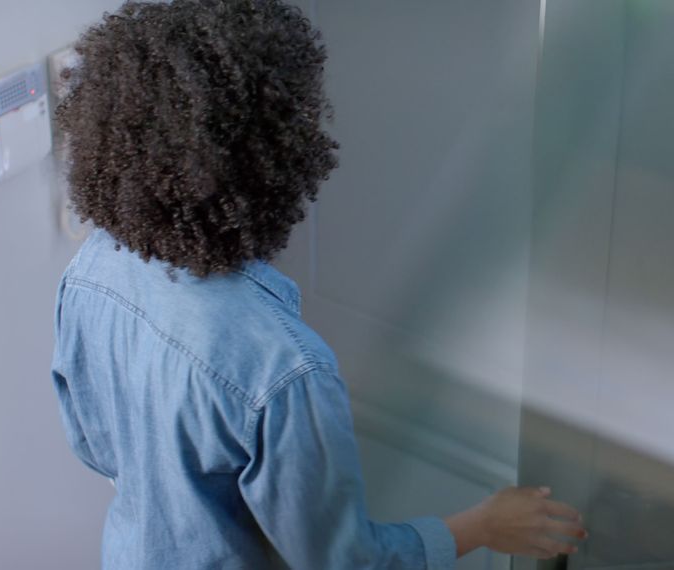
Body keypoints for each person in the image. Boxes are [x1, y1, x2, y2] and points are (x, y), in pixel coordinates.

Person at [49, 0, 586, 568]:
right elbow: (343, 561)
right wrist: (482, 525)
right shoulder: (285, 369)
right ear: (276, 158)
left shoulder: (92, 271)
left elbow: (94, 446)